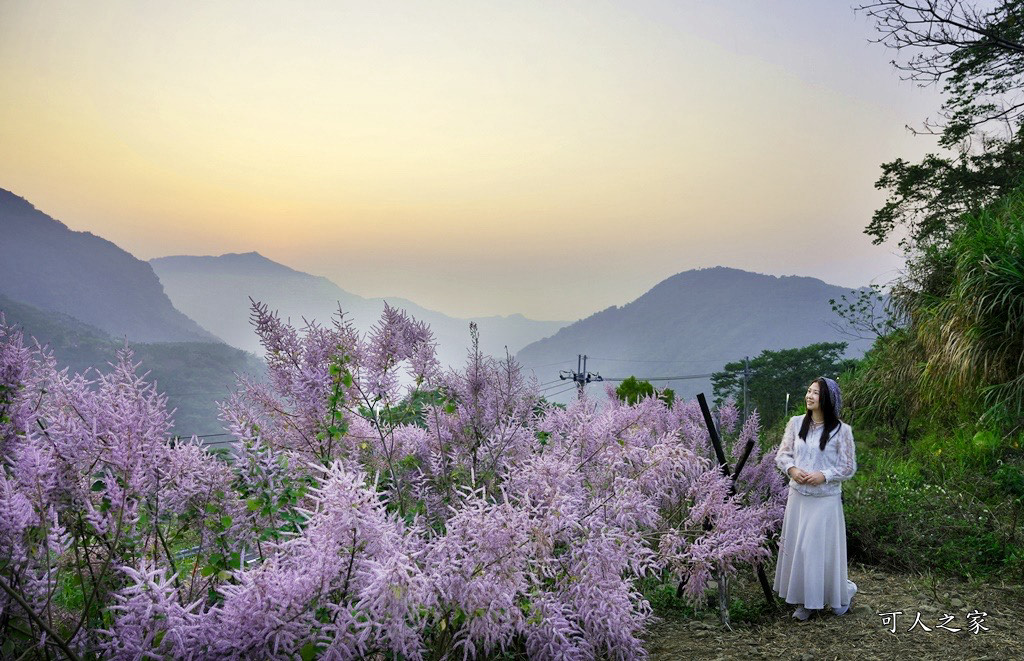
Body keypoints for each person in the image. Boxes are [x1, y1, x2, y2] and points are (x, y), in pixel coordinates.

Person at [773, 376, 858, 620]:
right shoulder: (795, 423)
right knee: (800, 549)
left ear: (827, 400)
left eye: (816, 393)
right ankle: (806, 602)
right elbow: (783, 455)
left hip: (825, 499)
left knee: (818, 549)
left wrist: (825, 475)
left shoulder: (841, 431)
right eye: (808, 391)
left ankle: (839, 594)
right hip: (798, 497)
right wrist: (792, 470)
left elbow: (847, 467)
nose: (809, 396)